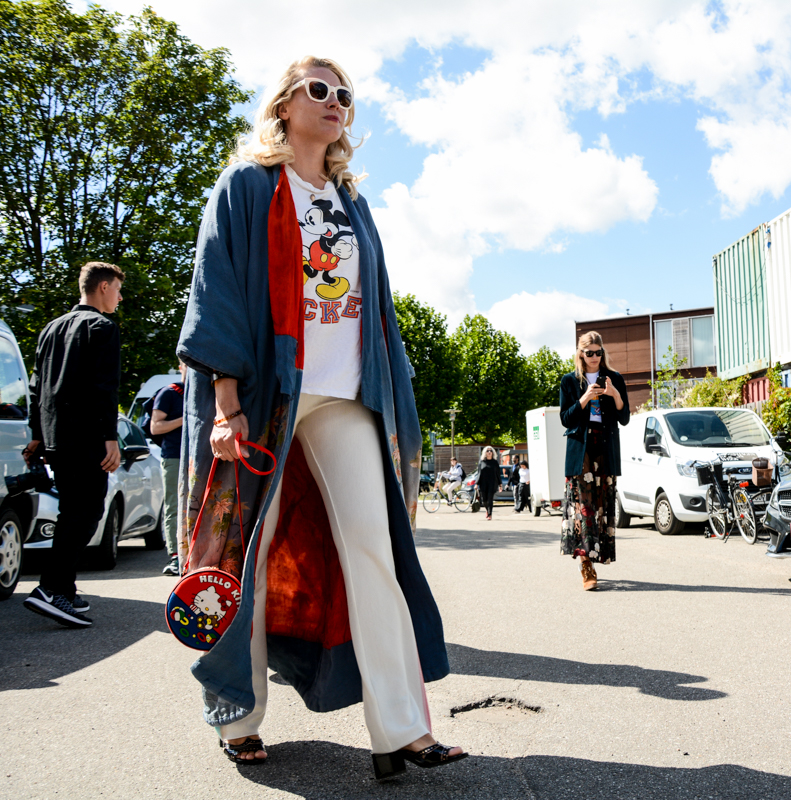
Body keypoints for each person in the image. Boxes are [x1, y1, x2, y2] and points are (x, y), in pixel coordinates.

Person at [176, 56, 464, 778]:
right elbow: (218, 292)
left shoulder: (351, 202)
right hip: (265, 394)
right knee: (243, 557)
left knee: (373, 547)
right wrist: (225, 406)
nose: (335, 102)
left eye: (345, 95)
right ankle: (237, 718)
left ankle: (402, 729)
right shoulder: (246, 186)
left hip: (346, 394)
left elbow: (377, 309)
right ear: (283, 105)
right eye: (319, 90)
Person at [22, 262, 125, 628]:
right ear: (103, 287)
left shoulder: (51, 328)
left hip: (56, 438)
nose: (119, 298)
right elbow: (104, 388)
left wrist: (37, 434)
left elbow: (37, 386)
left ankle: (63, 589)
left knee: (71, 512)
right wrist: (109, 438)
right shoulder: (102, 328)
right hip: (87, 437)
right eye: (117, 290)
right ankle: (51, 589)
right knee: (86, 513)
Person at [559, 331, 630, 590]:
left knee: (602, 506)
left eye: (598, 352)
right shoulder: (570, 381)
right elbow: (566, 419)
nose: (594, 357)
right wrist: (586, 397)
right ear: (581, 354)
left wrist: (614, 394)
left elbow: (624, 418)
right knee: (584, 508)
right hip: (582, 450)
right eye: (589, 353)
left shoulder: (615, 378)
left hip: (605, 447)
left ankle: (596, 556)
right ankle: (586, 565)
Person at [149, 362, 187, 576]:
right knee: (175, 505)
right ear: (181, 367)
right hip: (174, 456)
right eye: (187, 365)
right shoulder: (169, 393)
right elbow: (156, 427)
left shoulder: (207, 391)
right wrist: (185, 418)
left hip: (200, 455)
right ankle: (175, 556)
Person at [476, 447, 502, 520]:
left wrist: (500, 484)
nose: (489, 452)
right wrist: (476, 484)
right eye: (487, 451)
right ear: (485, 452)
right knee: (484, 500)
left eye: (491, 451)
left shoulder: (495, 462)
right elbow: (479, 474)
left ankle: (490, 514)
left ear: (493, 453)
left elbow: (498, 474)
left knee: (490, 499)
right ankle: (487, 510)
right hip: (483, 483)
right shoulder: (481, 462)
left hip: (492, 483)